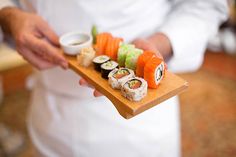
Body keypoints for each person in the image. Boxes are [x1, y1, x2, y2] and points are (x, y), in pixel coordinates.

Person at [0, 0, 228, 156]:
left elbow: (206, 4)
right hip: (49, 114)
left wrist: (156, 48)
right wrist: (9, 17)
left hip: (141, 120)